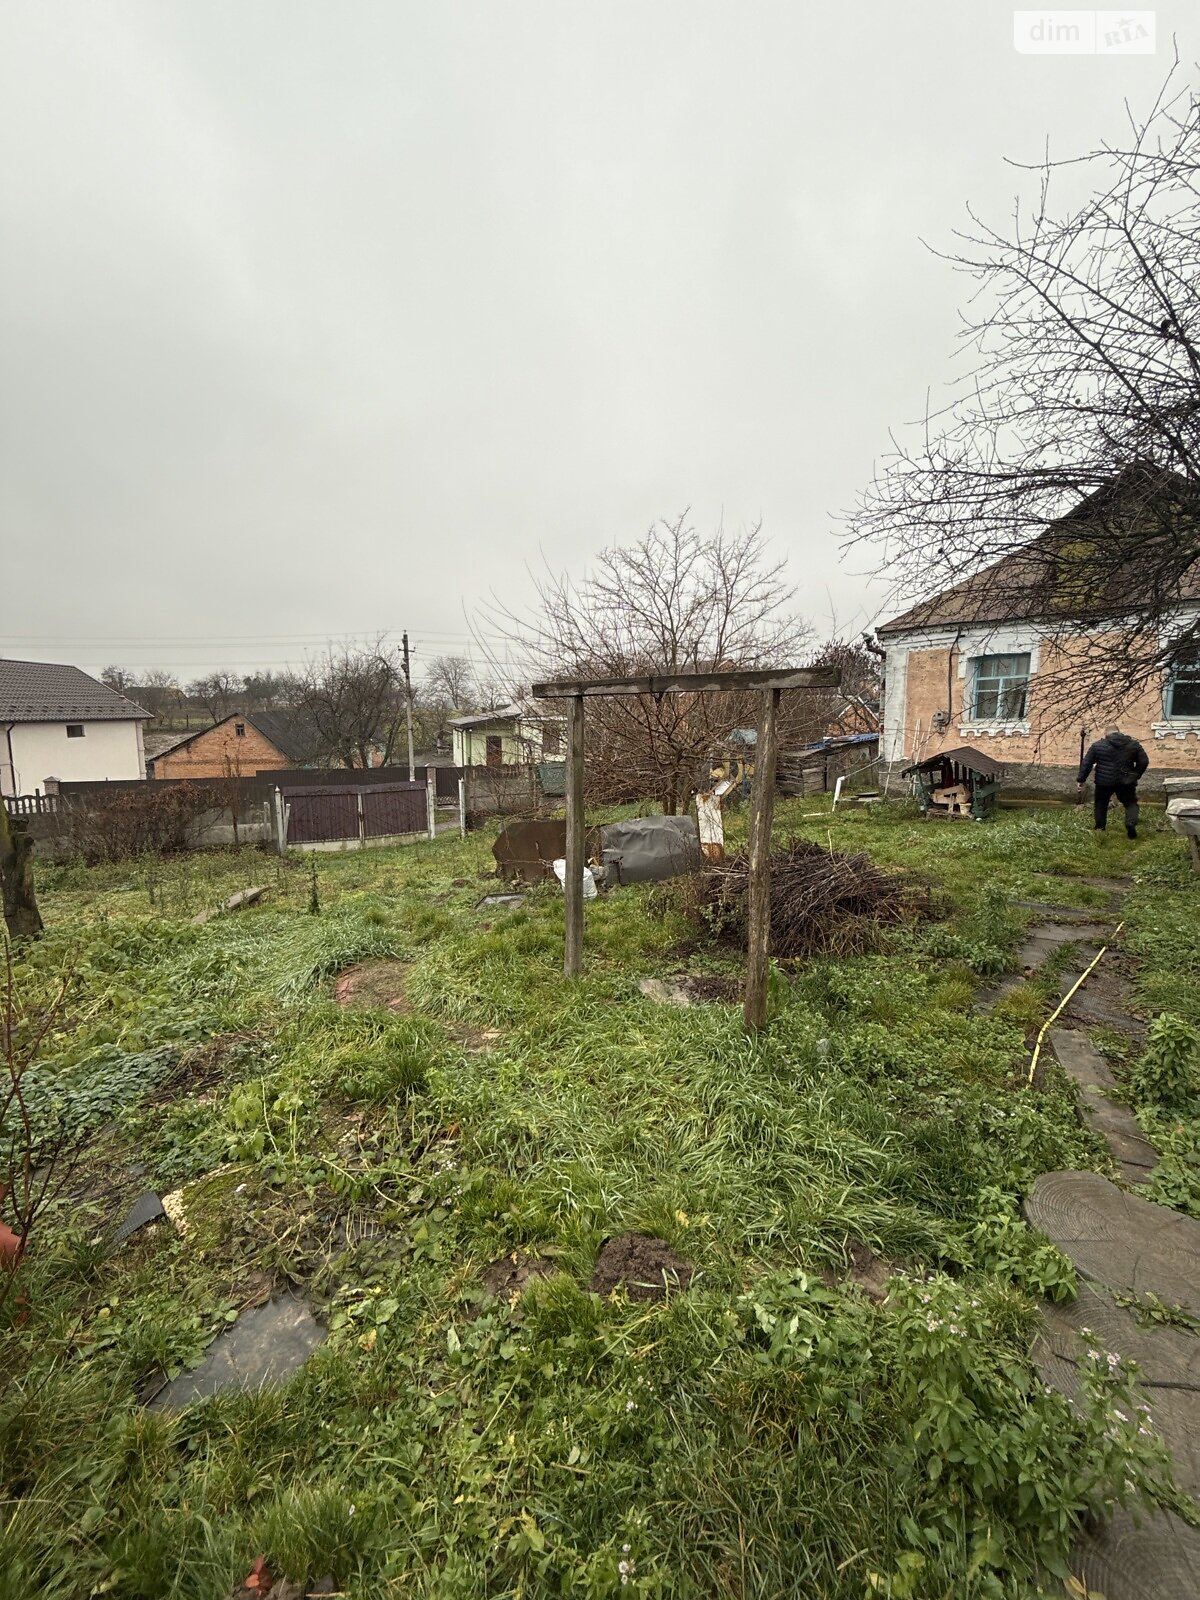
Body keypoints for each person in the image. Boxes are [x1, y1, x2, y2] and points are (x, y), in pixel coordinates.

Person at [1078, 725, 1150, 838]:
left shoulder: (1098, 746)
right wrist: (1135, 774)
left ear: (1106, 734)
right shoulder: (1133, 745)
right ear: (1119, 732)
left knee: (1101, 804)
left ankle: (1100, 829)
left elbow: (1087, 764)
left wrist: (1081, 780)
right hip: (1126, 781)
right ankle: (1130, 823)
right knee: (1131, 804)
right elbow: (1144, 761)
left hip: (1104, 782)